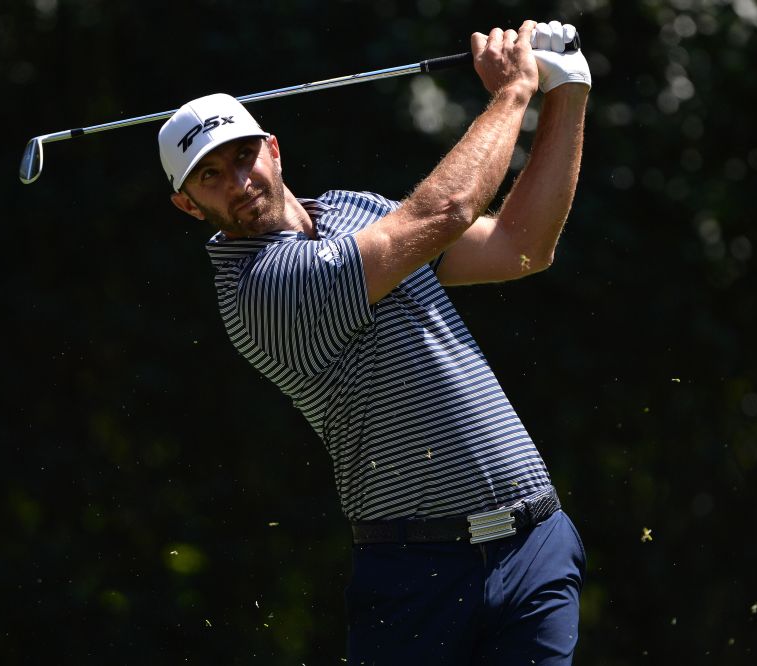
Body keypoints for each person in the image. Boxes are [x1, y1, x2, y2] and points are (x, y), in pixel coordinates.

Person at [159, 19, 591, 665]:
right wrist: (512, 94)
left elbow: (520, 247)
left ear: (274, 149)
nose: (239, 182)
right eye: (211, 176)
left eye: (244, 156)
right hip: (418, 573)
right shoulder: (261, 289)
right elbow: (445, 211)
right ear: (189, 206)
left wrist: (568, 91)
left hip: (536, 544)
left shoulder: (352, 211)